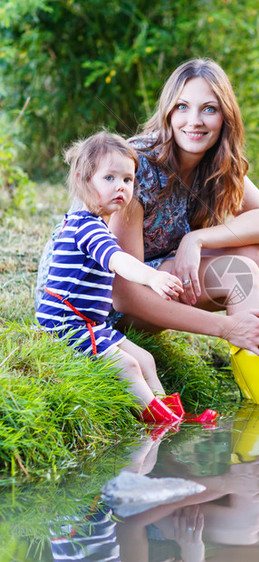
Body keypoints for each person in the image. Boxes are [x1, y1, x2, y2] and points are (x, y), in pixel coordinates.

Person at [106, 58, 259, 361]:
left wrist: (197, 239)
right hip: (96, 307)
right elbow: (123, 295)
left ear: (225, 117)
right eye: (182, 107)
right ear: (167, 112)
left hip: (156, 281)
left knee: (252, 255)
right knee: (239, 272)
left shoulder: (214, 160)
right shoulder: (136, 168)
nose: (194, 121)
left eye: (209, 109)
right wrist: (226, 327)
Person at [36, 131, 186, 424]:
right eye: (110, 178)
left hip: (90, 323)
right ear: (83, 180)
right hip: (65, 325)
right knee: (129, 366)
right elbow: (119, 261)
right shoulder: (87, 227)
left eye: (128, 180)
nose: (121, 186)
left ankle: (172, 413)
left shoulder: (96, 224)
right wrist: (152, 278)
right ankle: (161, 422)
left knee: (146, 360)